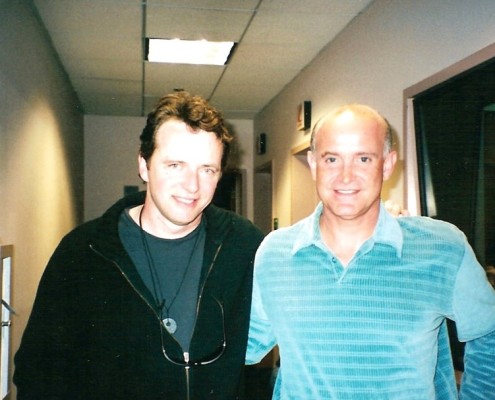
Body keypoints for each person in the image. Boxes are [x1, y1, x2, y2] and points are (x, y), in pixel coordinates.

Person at [14, 91, 264, 399]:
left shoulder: (245, 245)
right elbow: (38, 371)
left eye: (207, 169)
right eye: (175, 165)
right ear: (144, 165)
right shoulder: (83, 253)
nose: (192, 185)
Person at [246, 104, 495, 399]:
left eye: (363, 159)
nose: (346, 177)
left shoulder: (442, 247)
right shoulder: (275, 253)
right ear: (313, 164)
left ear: (387, 164)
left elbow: (489, 335)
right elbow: (239, 347)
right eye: (332, 159)